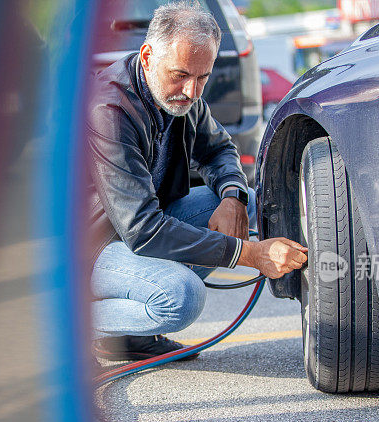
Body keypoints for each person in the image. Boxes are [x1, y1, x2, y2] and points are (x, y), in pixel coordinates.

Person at [87, 1, 307, 361]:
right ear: (147, 56)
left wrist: (232, 197)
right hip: (93, 248)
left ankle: (132, 338)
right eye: (180, 75)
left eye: (202, 77)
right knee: (181, 297)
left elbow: (219, 150)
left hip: (142, 226)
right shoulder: (109, 111)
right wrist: (249, 254)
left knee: (248, 200)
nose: (191, 91)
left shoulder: (180, 97)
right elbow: (144, 229)